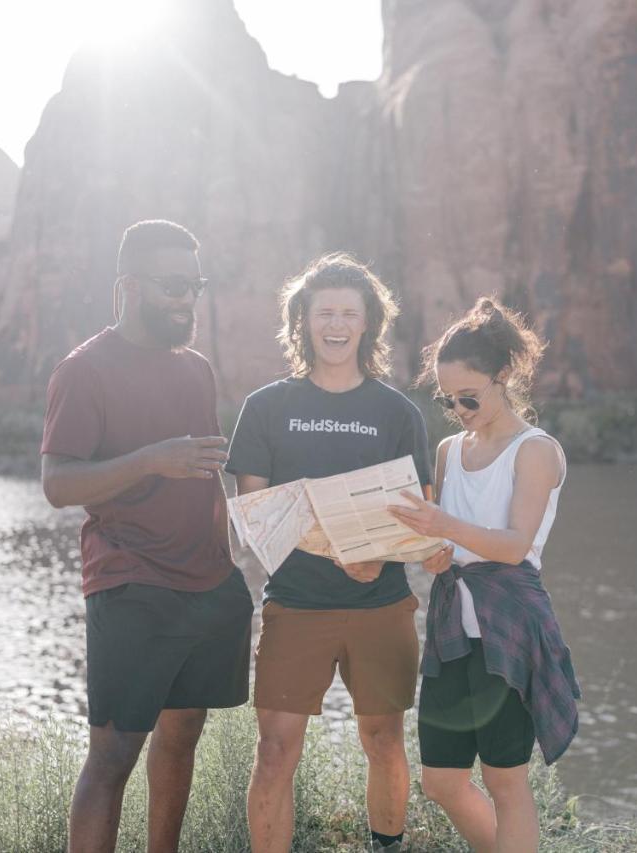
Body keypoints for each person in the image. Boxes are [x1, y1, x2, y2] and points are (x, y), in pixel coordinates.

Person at [40, 219, 253, 853]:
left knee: (183, 733)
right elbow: (57, 484)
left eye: (194, 286)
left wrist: (234, 551)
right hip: (131, 582)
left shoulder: (197, 371)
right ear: (128, 287)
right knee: (112, 755)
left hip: (209, 584)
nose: (186, 299)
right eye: (171, 286)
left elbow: (205, 472)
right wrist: (150, 459)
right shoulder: (83, 372)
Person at [226, 253, 432, 853]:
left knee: (385, 743)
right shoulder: (266, 408)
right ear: (303, 321)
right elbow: (255, 519)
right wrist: (337, 548)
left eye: (349, 313)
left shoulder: (398, 412)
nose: (336, 325)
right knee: (273, 754)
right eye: (324, 313)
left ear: (369, 323)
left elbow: (419, 513)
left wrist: (380, 556)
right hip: (296, 606)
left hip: (383, 605)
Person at [388, 297, 581, 853]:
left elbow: (515, 547)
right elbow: (449, 543)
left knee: (504, 779)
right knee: (441, 779)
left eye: (468, 396)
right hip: (452, 625)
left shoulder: (536, 451)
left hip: (510, 622)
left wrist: (444, 524)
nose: (459, 409)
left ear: (503, 378)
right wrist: (434, 553)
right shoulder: (450, 450)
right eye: (448, 400)